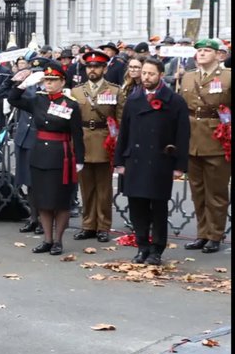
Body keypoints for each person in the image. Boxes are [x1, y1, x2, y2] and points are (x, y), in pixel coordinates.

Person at [116, 56, 190, 265]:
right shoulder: (133, 98)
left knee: (157, 207)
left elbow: (182, 135)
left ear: (160, 75)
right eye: (144, 73)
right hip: (136, 160)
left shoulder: (174, 100)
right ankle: (142, 246)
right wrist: (120, 160)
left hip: (160, 160)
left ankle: (157, 249)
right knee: (137, 205)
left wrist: (180, 165)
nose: (146, 77)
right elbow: (124, 132)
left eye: (151, 73)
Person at [9, 59, 86, 255]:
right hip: (39, 155)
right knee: (43, 200)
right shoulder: (38, 100)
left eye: (53, 80)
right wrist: (25, 84)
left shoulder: (71, 104)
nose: (49, 83)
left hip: (61, 155)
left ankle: (58, 240)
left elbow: (77, 134)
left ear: (62, 81)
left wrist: (79, 160)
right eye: (46, 80)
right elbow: (13, 99)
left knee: (60, 200)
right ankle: (47, 239)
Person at [179, 38, 231, 253]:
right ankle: (202, 233)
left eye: (207, 50)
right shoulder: (188, 77)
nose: (201, 54)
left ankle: (215, 235)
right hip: (192, 139)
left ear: (219, 55)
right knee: (197, 191)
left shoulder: (227, 77)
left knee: (216, 193)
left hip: (217, 139)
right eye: (199, 51)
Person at [71, 48, 125, 244]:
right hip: (83, 140)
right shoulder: (76, 91)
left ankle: (103, 226)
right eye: (89, 67)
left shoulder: (115, 90)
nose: (92, 70)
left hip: (104, 139)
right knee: (86, 187)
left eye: (96, 66)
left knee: (103, 188)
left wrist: (118, 144)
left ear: (104, 68)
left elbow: (120, 120)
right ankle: (88, 225)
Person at [13, 51, 42, 234]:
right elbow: (11, 97)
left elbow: (33, 101)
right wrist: (18, 82)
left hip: (38, 139)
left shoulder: (45, 88)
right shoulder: (26, 84)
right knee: (29, 182)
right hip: (23, 136)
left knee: (40, 183)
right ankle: (33, 217)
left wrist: (28, 83)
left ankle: (42, 219)